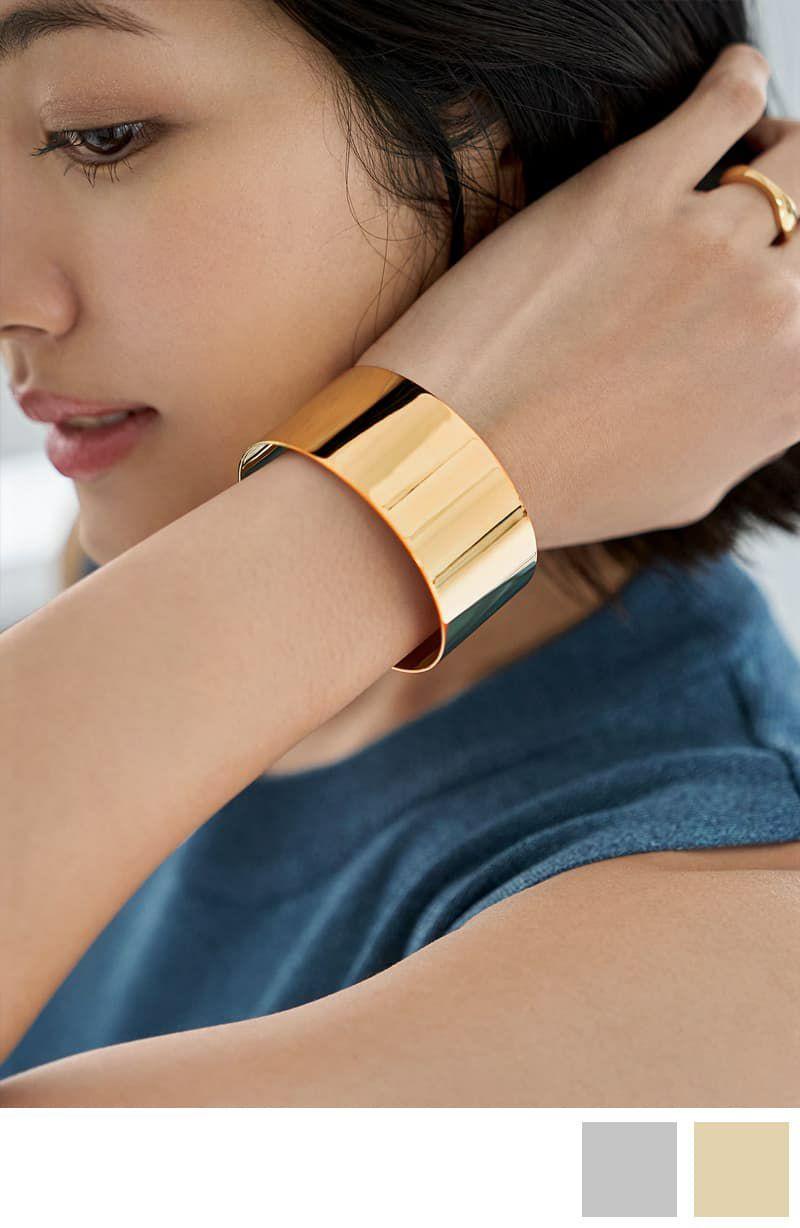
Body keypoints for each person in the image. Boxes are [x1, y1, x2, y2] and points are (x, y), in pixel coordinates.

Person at [0, 0, 798, 1105]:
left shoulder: (731, 972)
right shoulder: (143, 573)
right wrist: (423, 474)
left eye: (101, 137)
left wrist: (399, 495)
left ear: (517, 151)